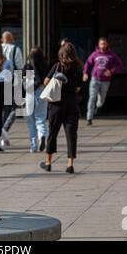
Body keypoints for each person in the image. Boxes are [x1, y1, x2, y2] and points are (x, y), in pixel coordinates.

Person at [41, 42, 83, 174]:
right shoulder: (77, 67)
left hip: (56, 105)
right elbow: (78, 87)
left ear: (62, 54)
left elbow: (46, 82)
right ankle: (70, 164)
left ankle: (48, 162)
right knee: (71, 134)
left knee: (53, 133)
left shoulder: (58, 66)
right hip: (72, 104)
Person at [83, 37, 123, 126]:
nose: (102, 46)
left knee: (101, 101)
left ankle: (98, 106)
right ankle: (89, 118)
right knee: (92, 98)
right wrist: (85, 73)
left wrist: (111, 71)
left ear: (107, 44)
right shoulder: (94, 54)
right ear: (98, 44)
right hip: (94, 79)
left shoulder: (111, 55)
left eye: (104, 44)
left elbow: (120, 65)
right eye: (101, 44)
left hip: (105, 81)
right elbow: (87, 63)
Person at [23, 47, 49, 153]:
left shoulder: (28, 66)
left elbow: (24, 81)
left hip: (29, 93)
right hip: (42, 92)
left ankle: (33, 146)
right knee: (40, 118)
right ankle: (42, 135)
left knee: (30, 120)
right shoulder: (45, 65)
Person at [0, 31, 23, 146]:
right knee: (13, 109)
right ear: (12, 39)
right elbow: (20, 68)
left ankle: (0, 135)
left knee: (1, 110)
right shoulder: (15, 49)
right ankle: (4, 129)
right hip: (12, 82)